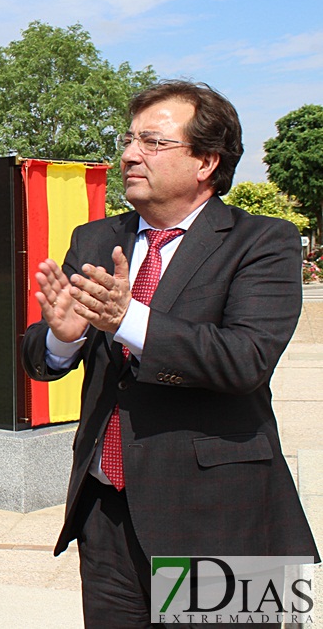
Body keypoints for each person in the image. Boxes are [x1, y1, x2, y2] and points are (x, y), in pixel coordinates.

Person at [21, 80, 319, 626]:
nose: (130, 154)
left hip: (220, 518)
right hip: (105, 514)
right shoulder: (94, 239)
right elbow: (43, 357)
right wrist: (64, 336)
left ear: (206, 160)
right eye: (130, 139)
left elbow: (245, 359)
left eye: (153, 142)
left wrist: (127, 319)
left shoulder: (263, 242)